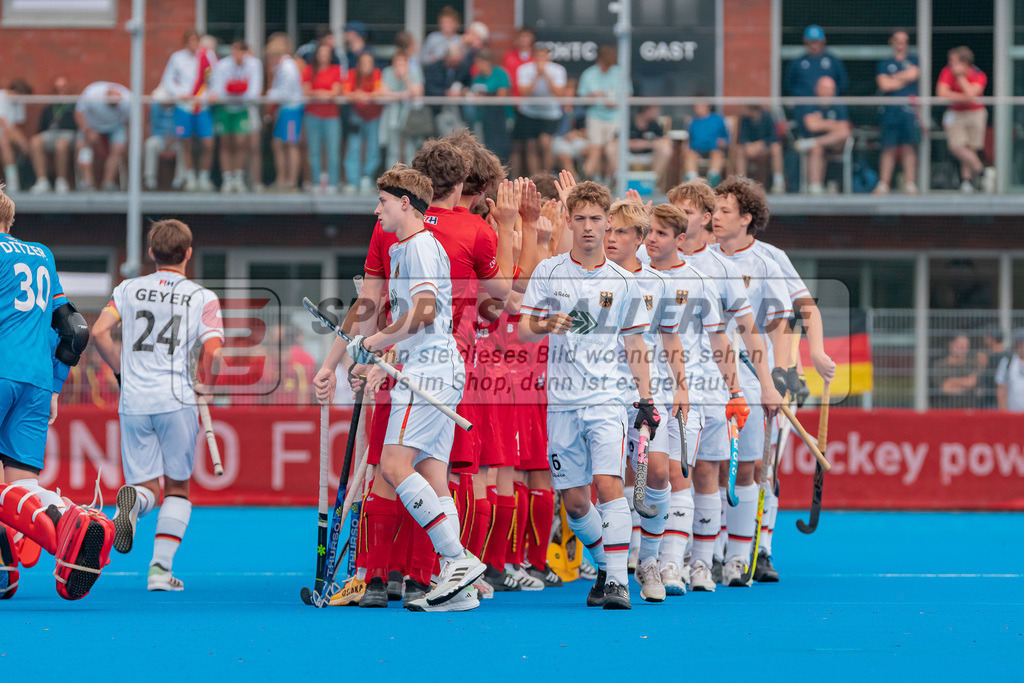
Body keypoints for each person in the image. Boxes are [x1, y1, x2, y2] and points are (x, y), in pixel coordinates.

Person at [313, 139, 513, 610]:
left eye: (381, 202)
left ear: (405, 202)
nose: (375, 211)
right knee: (433, 474)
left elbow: (422, 313)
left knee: (393, 467)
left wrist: (373, 343)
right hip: (431, 369)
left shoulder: (420, 246)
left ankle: (455, 559)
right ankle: (457, 586)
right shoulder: (403, 245)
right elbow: (384, 308)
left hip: (426, 372)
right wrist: (343, 359)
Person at [519, 181, 659, 610]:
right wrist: (545, 325)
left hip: (607, 399)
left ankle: (619, 582)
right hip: (561, 401)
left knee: (607, 484)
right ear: (569, 221)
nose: (587, 227)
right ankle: (605, 565)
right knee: (576, 502)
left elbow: (635, 345)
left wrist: (646, 400)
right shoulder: (548, 270)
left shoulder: (624, 281)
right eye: (578, 218)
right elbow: (524, 330)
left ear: (608, 223)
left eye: (596, 219)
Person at [90, 219, 224, 591]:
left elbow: (99, 332)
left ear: (151, 254)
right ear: (189, 254)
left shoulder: (128, 288)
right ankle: (159, 571)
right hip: (176, 398)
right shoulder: (202, 297)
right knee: (177, 487)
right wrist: (208, 388)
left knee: (144, 484)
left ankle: (132, 506)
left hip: (134, 399)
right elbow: (212, 353)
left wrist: (122, 373)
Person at [0, 186, 116, 601]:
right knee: (18, 485)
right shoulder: (41, 255)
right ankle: (71, 519)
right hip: (34, 380)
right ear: (11, 222)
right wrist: (53, 387)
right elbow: (75, 330)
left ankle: (5, 561)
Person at [639, 198, 745, 594]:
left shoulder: (699, 282)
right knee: (649, 476)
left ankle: (679, 566)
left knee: (683, 476)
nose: (651, 239)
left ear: (679, 240)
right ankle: (643, 559)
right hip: (640, 392)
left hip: (689, 394)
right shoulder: (634, 275)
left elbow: (720, 339)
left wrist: (735, 391)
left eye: (660, 234)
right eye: (648, 232)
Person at [601, 200, 688, 604]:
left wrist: (682, 387)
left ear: (638, 239)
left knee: (656, 474)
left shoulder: (657, 282)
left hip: (647, 393)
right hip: (600, 394)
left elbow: (670, 336)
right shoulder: (593, 275)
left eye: (620, 231)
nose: (610, 238)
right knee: (607, 484)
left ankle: (648, 561)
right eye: (608, 230)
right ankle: (609, 567)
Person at [709, 177, 791, 587]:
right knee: (717, 462)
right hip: (714, 373)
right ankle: (717, 547)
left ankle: (757, 549)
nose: (716, 218)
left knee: (758, 465)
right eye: (714, 210)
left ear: (746, 218)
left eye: (725, 211)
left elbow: (781, 325)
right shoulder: (702, 257)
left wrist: (782, 377)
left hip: (755, 374)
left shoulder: (767, 262)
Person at [160, 30, 218, 192]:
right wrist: (179, 93)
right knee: (186, 143)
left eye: (196, 40)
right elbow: (168, 80)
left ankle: (204, 177)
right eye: (190, 41)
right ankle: (191, 177)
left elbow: (214, 78)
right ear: (186, 42)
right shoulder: (177, 58)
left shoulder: (208, 56)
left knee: (208, 142)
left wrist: (212, 93)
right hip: (184, 106)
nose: (193, 44)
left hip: (202, 105)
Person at [936, 46, 991, 194]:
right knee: (957, 146)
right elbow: (941, 93)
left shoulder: (979, 74)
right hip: (956, 113)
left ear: (965, 62)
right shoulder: (947, 71)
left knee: (970, 148)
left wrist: (960, 78)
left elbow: (971, 95)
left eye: (954, 61)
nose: (950, 64)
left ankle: (967, 181)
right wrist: (964, 99)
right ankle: (981, 170)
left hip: (976, 113)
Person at [212, 39, 263, 193]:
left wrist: (236, 90)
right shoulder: (222, 65)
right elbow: (218, 90)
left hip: (243, 109)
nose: (238, 54)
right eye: (236, 50)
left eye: (242, 51)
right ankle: (227, 179)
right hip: (225, 108)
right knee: (226, 144)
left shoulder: (254, 64)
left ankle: (239, 178)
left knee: (241, 143)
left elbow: (254, 91)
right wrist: (236, 90)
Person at [874, 31, 920, 196]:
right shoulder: (885, 62)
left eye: (904, 41)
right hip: (890, 111)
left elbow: (914, 74)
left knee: (909, 147)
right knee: (888, 147)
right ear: (891, 42)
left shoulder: (914, 59)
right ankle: (884, 183)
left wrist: (893, 78)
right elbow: (884, 85)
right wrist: (904, 77)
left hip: (909, 112)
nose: (901, 44)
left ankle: (910, 183)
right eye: (898, 40)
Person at [515, 44, 567, 175]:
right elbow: (524, 91)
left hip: (550, 113)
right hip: (529, 112)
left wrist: (547, 76)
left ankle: (546, 176)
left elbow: (559, 92)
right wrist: (536, 76)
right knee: (531, 146)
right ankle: (535, 178)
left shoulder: (558, 70)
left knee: (545, 144)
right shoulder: (524, 69)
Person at [794, 76, 851, 194]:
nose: (828, 91)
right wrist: (833, 124)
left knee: (844, 134)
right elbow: (811, 126)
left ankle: (814, 142)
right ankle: (815, 185)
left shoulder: (839, 105)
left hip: (835, 144)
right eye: (825, 88)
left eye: (831, 88)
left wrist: (821, 122)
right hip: (815, 143)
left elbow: (844, 127)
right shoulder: (810, 104)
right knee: (817, 148)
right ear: (817, 89)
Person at [577, 46, 626, 184]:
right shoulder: (589, 74)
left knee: (611, 150)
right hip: (595, 116)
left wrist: (616, 102)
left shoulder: (619, 73)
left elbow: (628, 94)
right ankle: (584, 182)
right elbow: (581, 99)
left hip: (615, 117)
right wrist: (593, 96)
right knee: (596, 150)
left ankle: (612, 183)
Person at [74, 81, 131, 191]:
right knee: (82, 146)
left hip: (116, 126)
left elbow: (131, 122)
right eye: (111, 104)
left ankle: (108, 182)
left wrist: (129, 141)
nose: (114, 106)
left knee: (119, 148)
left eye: (116, 104)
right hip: (91, 124)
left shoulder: (128, 99)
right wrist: (87, 131)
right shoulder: (92, 93)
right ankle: (88, 182)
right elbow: (79, 112)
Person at [265, 33, 304, 192]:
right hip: (284, 109)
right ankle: (282, 179)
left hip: (291, 109)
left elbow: (285, 92)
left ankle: (291, 181)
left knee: (290, 144)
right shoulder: (281, 67)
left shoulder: (288, 67)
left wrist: (268, 94)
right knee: (278, 144)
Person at [302, 43, 343, 193]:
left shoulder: (335, 70)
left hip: (331, 116)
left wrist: (317, 92)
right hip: (312, 115)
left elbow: (335, 92)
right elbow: (306, 91)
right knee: (314, 150)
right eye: (321, 52)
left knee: (332, 150)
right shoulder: (308, 70)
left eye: (327, 53)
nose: (324, 56)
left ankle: (332, 183)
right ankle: (315, 182)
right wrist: (324, 93)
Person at [343, 53, 384, 194]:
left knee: (373, 146)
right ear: (359, 64)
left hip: (374, 116)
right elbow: (346, 92)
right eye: (364, 62)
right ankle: (353, 181)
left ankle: (367, 176)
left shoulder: (377, 74)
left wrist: (364, 95)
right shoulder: (352, 74)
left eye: (369, 62)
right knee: (353, 147)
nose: (366, 66)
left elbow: (379, 92)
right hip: (357, 116)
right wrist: (358, 95)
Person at [29, 77, 77, 194]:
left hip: (68, 133)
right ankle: (42, 181)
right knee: (35, 141)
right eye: (57, 89)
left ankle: (61, 181)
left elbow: (78, 125)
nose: (60, 91)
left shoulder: (74, 105)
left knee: (61, 144)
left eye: (63, 88)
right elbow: (42, 128)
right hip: (51, 133)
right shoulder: (49, 108)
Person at [381, 51, 426, 167]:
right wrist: (403, 95)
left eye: (403, 63)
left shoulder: (413, 72)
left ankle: (411, 179)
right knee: (393, 150)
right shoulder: (387, 72)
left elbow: (417, 92)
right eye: (397, 63)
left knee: (410, 150)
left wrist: (406, 78)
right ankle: (391, 179)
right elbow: (384, 93)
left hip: (409, 117)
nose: (400, 66)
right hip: (392, 116)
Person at [470, 49, 512, 164]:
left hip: (500, 119)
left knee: (501, 149)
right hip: (482, 119)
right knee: (484, 149)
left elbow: (502, 96)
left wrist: (484, 96)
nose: (477, 66)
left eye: (478, 62)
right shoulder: (477, 77)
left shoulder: (500, 73)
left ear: (487, 62)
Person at [784, 24, 848, 98]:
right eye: (811, 42)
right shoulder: (797, 62)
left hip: (828, 105)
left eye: (817, 42)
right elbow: (789, 84)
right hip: (803, 104)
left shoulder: (833, 62)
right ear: (805, 42)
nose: (814, 45)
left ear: (823, 41)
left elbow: (843, 84)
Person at [736, 105, 786, 195]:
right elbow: (742, 138)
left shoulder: (768, 117)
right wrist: (748, 145)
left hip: (765, 147)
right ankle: (741, 181)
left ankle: (778, 181)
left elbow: (773, 137)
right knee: (739, 150)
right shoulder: (745, 119)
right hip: (750, 147)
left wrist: (761, 144)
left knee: (776, 147)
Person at [144, 87, 185, 191]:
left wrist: (175, 137)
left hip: (176, 139)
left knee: (184, 147)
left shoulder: (180, 109)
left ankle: (179, 180)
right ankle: (150, 179)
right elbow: (153, 126)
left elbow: (182, 126)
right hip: (160, 138)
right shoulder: (156, 108)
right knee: (150, 144)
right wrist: (163, 138)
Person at [685, 99, 729, 187]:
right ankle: (692, 181)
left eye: (700, 105)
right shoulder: (693, 121)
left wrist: (723, 142)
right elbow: (690, 140)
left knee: (717, 154)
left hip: (714, 149)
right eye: (696, 106)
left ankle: (713, 179)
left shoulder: (717, 119)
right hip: (697, 149)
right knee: (689, 154)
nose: (697, 108)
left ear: (707, 106)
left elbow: (726, 138)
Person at [932, 334, 983, 410]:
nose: (962, 348)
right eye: (959, 345)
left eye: (966, 345)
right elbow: (944, 388)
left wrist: (951, 380)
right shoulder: (940, 365)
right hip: (946, 409)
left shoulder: (972, 364)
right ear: (951, 344)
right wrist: (965, 384)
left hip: (969, 409)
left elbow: (972, 382)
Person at [0, 80, 31, 193]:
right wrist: (19, 140)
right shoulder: (1, 97)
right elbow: (2, 123)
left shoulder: (19, 101)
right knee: (4, 143)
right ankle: (13, 180)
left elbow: (16, 124)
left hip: (9, 133)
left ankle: (22, 176)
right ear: (12, 92)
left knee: (10, 142)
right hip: (3, 133)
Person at [995, 330, 1024, 412]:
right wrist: (1004, 415)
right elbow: (1001, 389)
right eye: (1020, 343)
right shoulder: (1008, 362)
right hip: (1013, 415)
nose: (1022, 346)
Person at [503, 28, 534, 96]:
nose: (523, 39)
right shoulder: (509, 57)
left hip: (532, 97)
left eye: (526, 36)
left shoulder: (536, 58)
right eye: (521, 36)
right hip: (513, 97)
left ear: (532, 38)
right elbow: (506, 78)